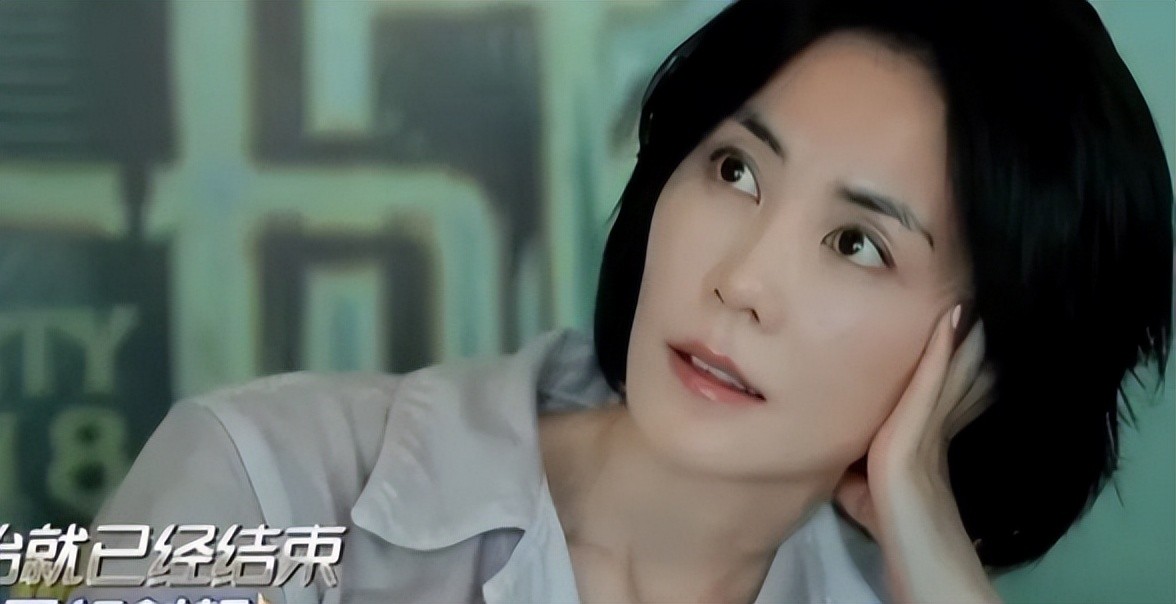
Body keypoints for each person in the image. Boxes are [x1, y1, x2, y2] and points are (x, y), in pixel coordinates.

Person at [72, 0, 1171, 602]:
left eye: (856, 243)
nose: (740, 280)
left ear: (985, 353)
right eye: (735, 170)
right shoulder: (258, 480)